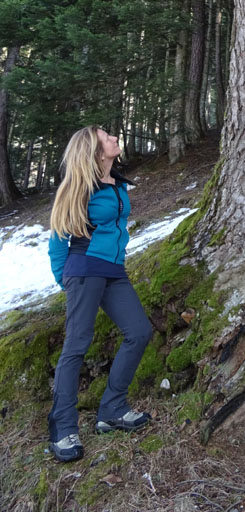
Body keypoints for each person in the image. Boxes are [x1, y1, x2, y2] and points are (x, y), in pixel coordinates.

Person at [47, 125, 152, 462]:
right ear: (94, 149)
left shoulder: (116, 182)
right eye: (107, 137)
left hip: (113, 270)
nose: (115, 138)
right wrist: (67, 281)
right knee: (76, 345)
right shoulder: (79, 186)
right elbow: (57, 239)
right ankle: (63, 428)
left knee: (139, 332)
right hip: (84, 268)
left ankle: (112, 409)